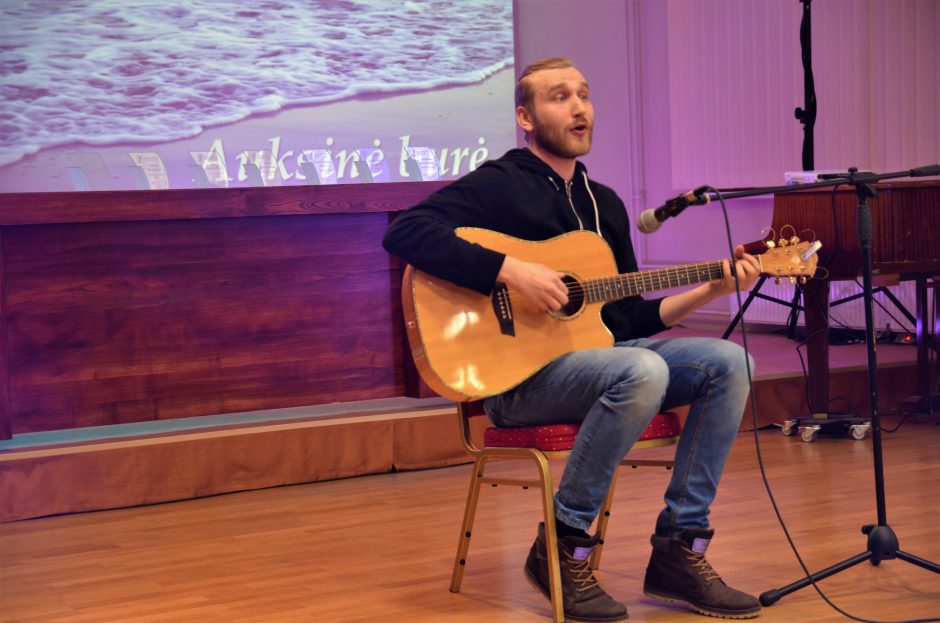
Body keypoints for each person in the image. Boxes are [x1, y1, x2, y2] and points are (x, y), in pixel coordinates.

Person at [383, 57, 763, 622]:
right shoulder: (499, 183)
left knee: (730, 361)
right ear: (526, 117)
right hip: (519, 381)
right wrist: (512, 270)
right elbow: (404, 231)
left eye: (584, 94)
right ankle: (563, 545)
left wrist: (710, 289)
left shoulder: (604, 203)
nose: (579, 107)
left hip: (600, 365)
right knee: (641, 370)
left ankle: (679, 550)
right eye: (560, 96)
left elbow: (627, 320)